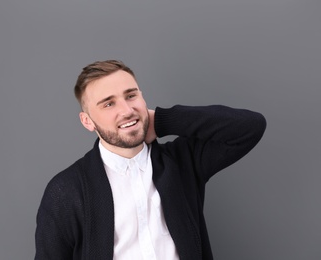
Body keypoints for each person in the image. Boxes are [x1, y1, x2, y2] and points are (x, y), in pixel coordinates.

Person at [35, 60, 266, 260]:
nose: (127, 110)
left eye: (131, 95)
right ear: (87, 121)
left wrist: (163, 121)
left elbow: (249, 127)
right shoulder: (66, 190)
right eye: (108, 103)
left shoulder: (182, 162)